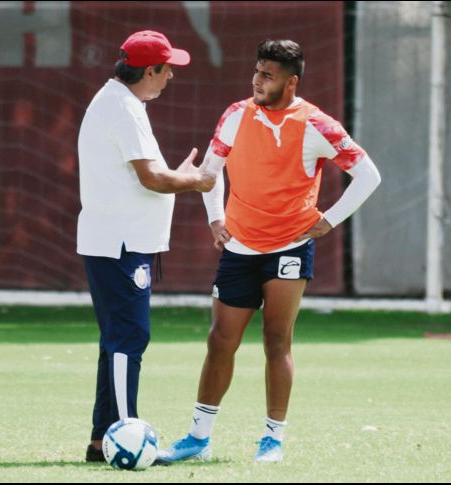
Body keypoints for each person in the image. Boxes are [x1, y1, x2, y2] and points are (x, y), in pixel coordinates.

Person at [157, 39, 382, 464]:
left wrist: (330, 219)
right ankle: (198, 438)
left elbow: (368, 175)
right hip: (239, 246)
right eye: (256, 72)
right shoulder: (236, 114)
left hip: (290, 247)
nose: (257, 81)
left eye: (268, 75)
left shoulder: (319, 124)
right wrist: (214, 219)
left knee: (277, 341)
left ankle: (272, 440)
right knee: (221, 340)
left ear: (291, 81)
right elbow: (211, 170)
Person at [76, 30, 215, 463]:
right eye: (167, 68)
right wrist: (197, 180)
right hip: (120, 245)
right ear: (148, 70)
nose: (171, 76)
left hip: (119, 242)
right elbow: (153, 179)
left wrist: (179, 176)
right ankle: (125, 434)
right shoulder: (123, 107)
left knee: (117, 339)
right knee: (129, 337)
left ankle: (104, 439)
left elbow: (150, 175)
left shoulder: (120, 101)